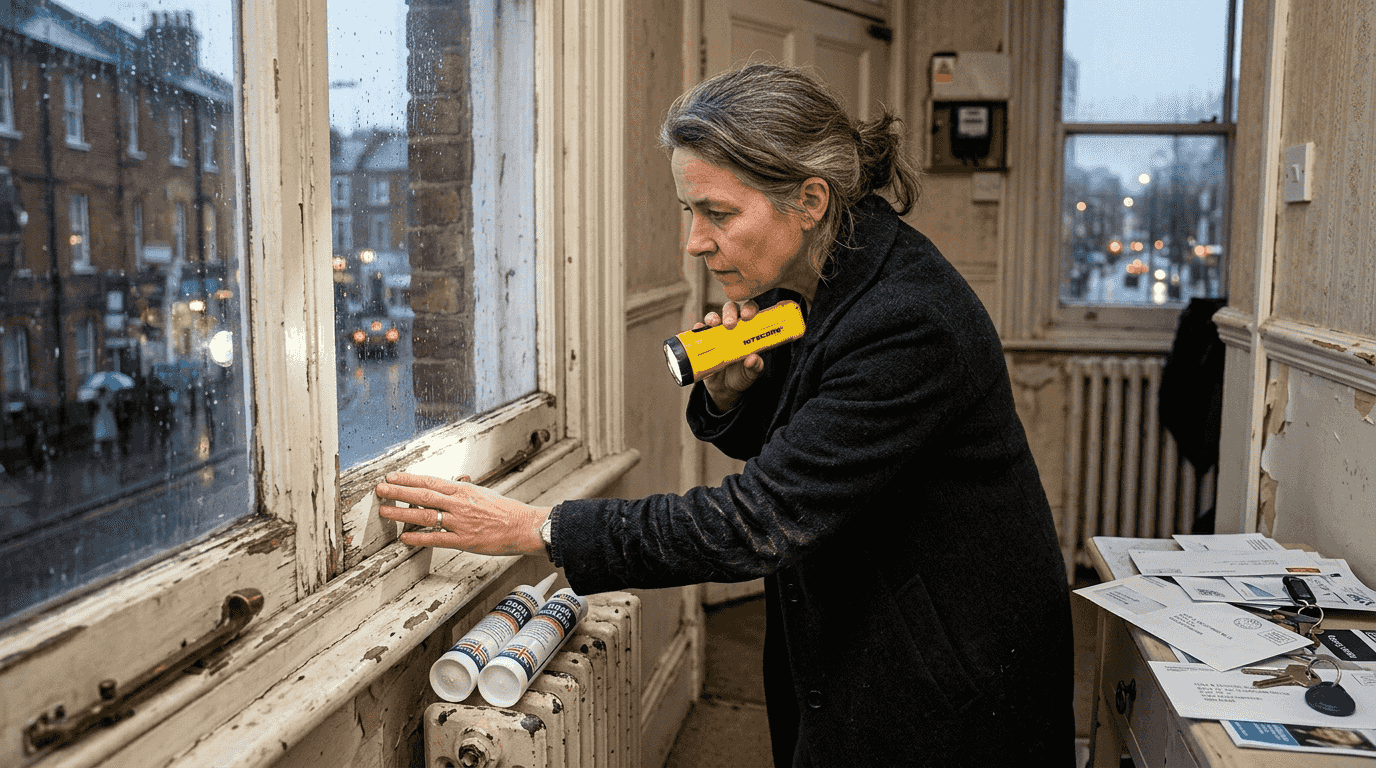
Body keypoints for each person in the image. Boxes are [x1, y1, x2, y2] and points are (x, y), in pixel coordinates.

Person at [377, 63, 1073, 766]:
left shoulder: (908, 322)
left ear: (809, 198)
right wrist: (731, 395)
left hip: (944, 667)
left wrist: (539, 529)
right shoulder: (813, 278)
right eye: (691, 211)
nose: (695, 243)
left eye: (719, 213)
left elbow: (759, 519)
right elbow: (817, 450)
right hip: (870, 624)